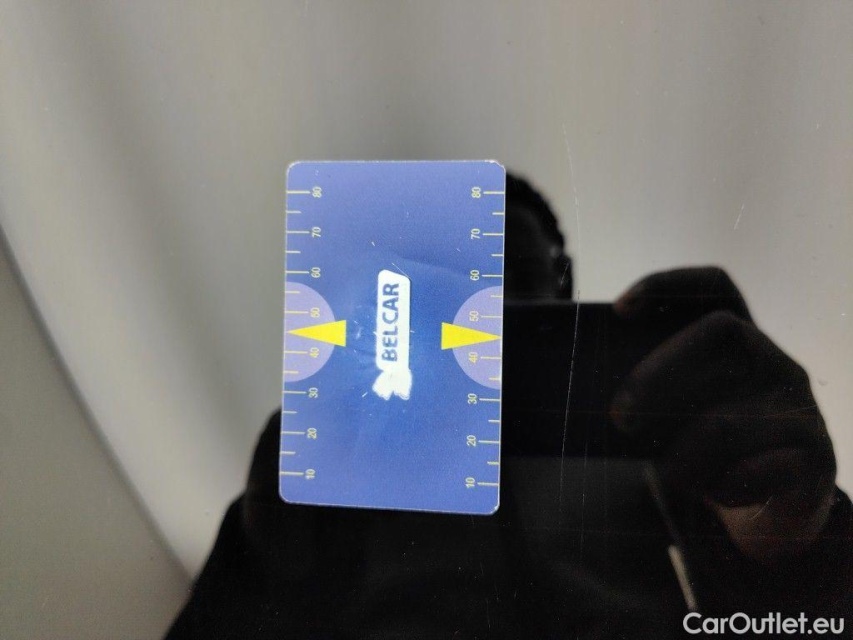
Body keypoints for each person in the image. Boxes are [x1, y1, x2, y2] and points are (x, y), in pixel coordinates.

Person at [166, 175, 851, 638]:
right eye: (460, 282)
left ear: (563, 283)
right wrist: (260, 558)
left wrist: (801, 539)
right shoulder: (339, 476)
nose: (485, 312)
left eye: (512, 275)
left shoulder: (666, 441)